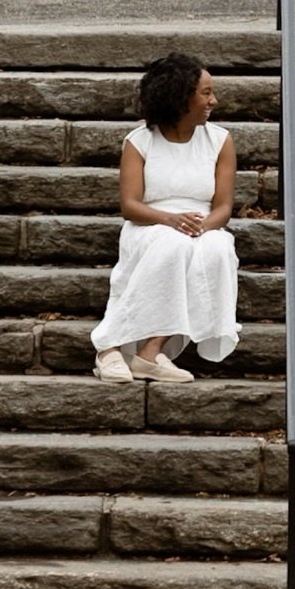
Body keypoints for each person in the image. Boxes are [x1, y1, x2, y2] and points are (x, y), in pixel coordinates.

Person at [91, 51, 239, 384]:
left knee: (217, 249)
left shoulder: (220, 141)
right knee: (174, 246)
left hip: (202, 225)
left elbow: (223, 208)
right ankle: (109, 347)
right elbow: (129, 205)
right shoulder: (139, 141)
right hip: (150, 223)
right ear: (180, 97)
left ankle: (149, 352)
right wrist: (170, 220)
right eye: (205, 93)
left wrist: (203, 226)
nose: (213, 100)